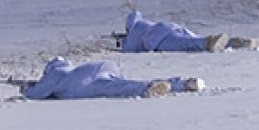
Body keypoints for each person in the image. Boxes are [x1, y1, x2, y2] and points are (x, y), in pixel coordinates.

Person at [18, 56, 205, 100]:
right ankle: (181, 83)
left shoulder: (55, 74)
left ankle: (147, 88)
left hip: (85, 82)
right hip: (101, 67)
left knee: (118, 89)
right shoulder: (67, 70)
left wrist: (25, 88)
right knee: (120, 83)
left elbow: (38, 94)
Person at [119, 10, 259, 53]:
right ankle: (236, 43)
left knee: (187, 44)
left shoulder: (134, 32)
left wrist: (123, 41)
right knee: (191, 39)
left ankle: (208, 42)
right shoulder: (142, 26)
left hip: (159, 39)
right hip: (169, 28)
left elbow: (130, 48)